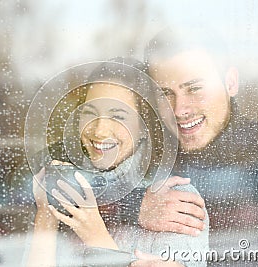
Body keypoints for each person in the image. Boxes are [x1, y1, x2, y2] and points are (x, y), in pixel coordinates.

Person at [130, 26, 258, 264]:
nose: (180, 110)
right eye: (166, 93)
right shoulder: (144, 152)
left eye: (195, 88)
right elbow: (66, 194)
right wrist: (136, 207)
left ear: (230, 83)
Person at [24, 58, 209, 266]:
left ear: (145, 126)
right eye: (90, 113)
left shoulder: (175, 198)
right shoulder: (66, 186)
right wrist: (45, 216)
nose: (100, 130)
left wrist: (96, 238)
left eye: (118, 116)